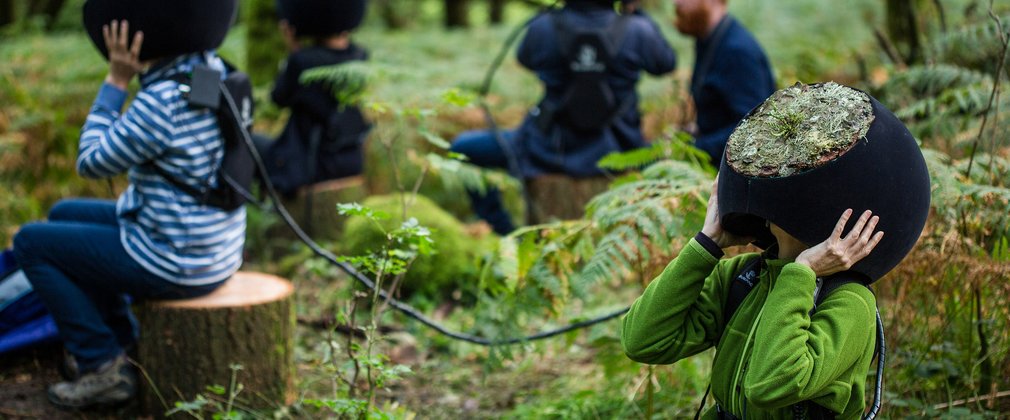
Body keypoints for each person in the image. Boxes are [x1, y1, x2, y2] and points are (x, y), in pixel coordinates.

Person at [12, 0, 243, 408]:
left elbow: (91, 161)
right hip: (211, 247)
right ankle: (121, 337)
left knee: (32, 242)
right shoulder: (213, 71)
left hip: (175, 259)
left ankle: (101, 363)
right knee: (64, 214)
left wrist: (117, 81)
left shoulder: (162, 101)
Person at [621, 179, 882, 418]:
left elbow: (770, 385)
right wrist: (705, 245)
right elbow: (642, 341)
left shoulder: (850, 301)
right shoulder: (742, 275)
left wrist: (802, 273)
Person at [450, 0, 677, 235]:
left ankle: (505, 234)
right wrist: (635, 10)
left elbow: (524, 58)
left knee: (463, 148)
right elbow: (666, 63)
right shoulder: (639, 29)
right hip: (622, 151)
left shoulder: (542, 27)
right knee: (681, 157)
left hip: (546, 151)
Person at [257, 0, 371, 196]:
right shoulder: (360, 56)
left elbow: (278, 98)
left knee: (250, 142)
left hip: (310, 165)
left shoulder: (302, 61)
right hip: (351, 159)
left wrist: (292, 49)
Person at [673, 0, 776, 165]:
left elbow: (756, 130)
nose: (676, 3)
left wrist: (692, 149)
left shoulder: (737, 51)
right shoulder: (708, 40)